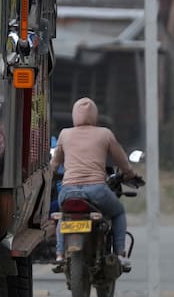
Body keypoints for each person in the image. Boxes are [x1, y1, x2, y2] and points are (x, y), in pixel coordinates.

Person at [49, 97, 142, 269]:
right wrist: (130, 173)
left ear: (74, 114)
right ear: (95, 115)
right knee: (118, 212)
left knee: (64, 214)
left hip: (68, 191)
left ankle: (60, 254)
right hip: (97, 190)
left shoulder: (65, 134)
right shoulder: (104, 134)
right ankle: (120, 254)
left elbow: (54, 164)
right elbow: (120, 159)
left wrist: (48, 176)